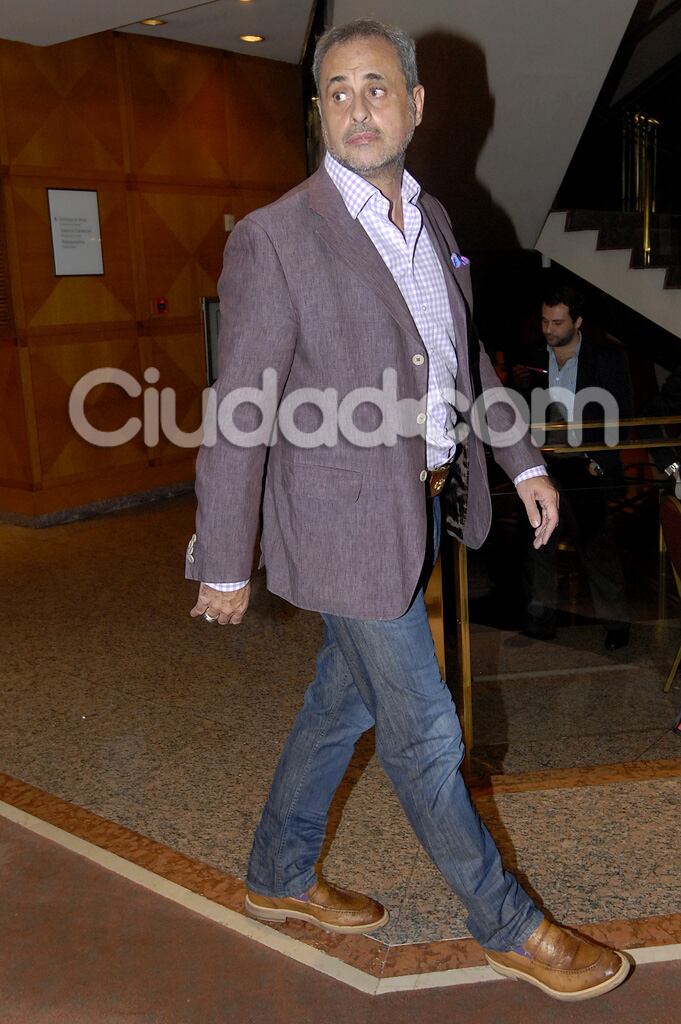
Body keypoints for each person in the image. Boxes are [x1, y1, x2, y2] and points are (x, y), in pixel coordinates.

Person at [186, 20, 629, 1001]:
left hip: (421, 506)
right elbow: (240, 409)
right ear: (320, 110)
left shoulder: (430, 220)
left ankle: (276, 874)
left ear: (416, 105)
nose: (357, 107)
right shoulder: (278, 237)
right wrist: (224, 555)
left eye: (376, 88)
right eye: (336, 91)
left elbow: (461, 359)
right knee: (424, 725)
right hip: (339, 525)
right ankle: (510, 925)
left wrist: (521, 463)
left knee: (337, 705)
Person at [513, 285, 632, 649]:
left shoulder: (606, 360)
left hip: (586, 466)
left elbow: (620, 415)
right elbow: (517, 410)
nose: (548, 329)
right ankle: (540, 620)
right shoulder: (533, 354)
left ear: (577, 321)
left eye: (557, 322)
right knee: (538, 546)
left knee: (596, 546)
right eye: (545, 321)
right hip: (544, 466)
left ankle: (616, 625)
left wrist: (600, 464)